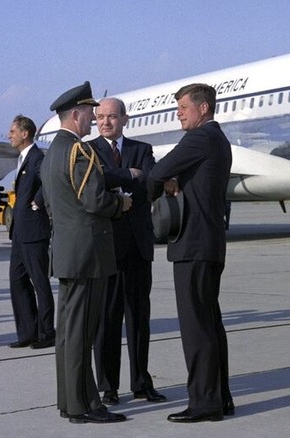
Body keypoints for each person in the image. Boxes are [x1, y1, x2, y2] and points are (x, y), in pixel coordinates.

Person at [40, 81, 131, 424]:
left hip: (69, 251)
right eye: (90, 113)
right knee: (80, 333)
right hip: (87, 255)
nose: (94, 119)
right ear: (75, 114)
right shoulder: (78, 151)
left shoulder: (52, 153)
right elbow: (94, 201)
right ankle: (81, 405)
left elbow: (54, 205)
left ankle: (75, 401)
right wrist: (121, 202)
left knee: (69, 333)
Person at [147, 83, 234, 422]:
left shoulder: (199, 139)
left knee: (197, 328)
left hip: (194, 245)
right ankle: (219, 397)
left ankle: (204, 403)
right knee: (210, 325)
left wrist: (163, 182)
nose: (179, 113)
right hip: (209, 244)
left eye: (184, 107)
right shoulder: (218, 139)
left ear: (204, 109)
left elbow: (156, 171)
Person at [88, 97, 165, 405]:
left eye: (111, 116)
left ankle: (141, 383)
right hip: (106, 248)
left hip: (137, 247)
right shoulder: (90, 151)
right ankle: (108, 386)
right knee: (106, 320)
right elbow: (96, 181)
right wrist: (127, 177)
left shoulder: (142, 150)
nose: (105, 122)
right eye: (100, 117)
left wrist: (120, 185)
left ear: (125, 119)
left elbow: (150, 185)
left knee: (138, 318)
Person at [6, 115, 55, 350]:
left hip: (34, 231)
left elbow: (49, 181)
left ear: (25, 133)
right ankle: (27, 332)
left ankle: (46, 333)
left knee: (40, 283)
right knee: (17, 281)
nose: (9, 135)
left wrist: (38, 202)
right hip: (19, 232)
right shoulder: (22, 158)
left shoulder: (37, 158)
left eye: (13, 131)